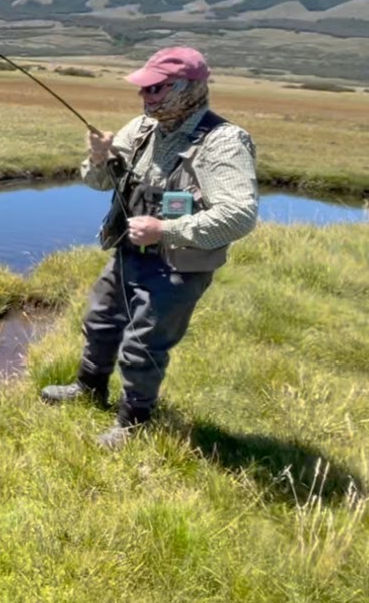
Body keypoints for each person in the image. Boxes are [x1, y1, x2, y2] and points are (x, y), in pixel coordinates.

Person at [41, 46, 258, 448]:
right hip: (128, 253)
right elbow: (99, 182)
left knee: (144, 345)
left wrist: (165, 230)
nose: (145, 98)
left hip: (178, 266)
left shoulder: (224, 142)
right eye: (143, 89)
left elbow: (240, 216)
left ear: (187, 89)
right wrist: (98, 157)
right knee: (100, 323)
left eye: (155, 89)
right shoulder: (141, 128)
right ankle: (88, 390)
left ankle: (133, 424)